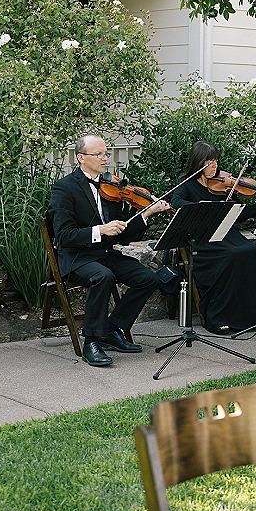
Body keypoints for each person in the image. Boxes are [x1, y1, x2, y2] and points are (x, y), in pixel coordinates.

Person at [48, 134, 172, 367]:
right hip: (77, 258)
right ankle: (91, 342)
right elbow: (64, 236)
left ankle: (112, 329)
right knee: (102, 277)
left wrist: (146, 213)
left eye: (106, 153)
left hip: (104, 254)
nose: (106, 158)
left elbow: (122, 232)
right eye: (99, 154)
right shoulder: (64, 188)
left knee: (147, 278)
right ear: (81, 158)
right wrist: (101, 230)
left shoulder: (111, 187)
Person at [171, 140, 256, 335]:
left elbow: (239, 214)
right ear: (198, 162)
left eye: (216, 161)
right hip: (203, 239)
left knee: (250, 251)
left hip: (227, 234)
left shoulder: (224, 185)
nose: (214, 166)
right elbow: (176, 202)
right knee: (231, 256)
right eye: (209, 162)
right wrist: (203, 208)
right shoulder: (187, 184)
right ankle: (218, 316)